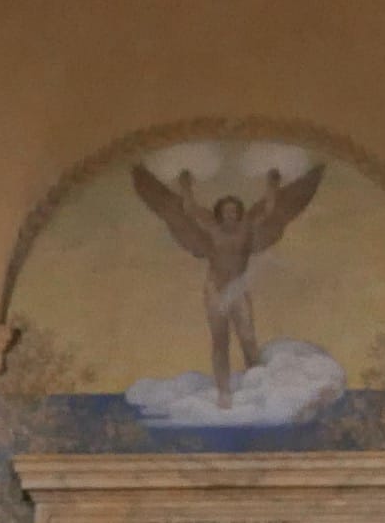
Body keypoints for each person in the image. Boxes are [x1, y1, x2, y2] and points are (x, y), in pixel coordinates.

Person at [134, 156, 320, 396]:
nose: (230, 213)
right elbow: (189, 209)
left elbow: (268, 209)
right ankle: (224, 392)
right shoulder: (211, 227)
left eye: (234, 210)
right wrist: (185, 185)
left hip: (238, 288)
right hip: (216, 288)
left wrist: (272, 184)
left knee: (248, 339)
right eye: (226, 210)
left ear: (239, 212)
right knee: (220, 341)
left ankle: (258, 387)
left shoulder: (247, 227)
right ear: (219, 213)